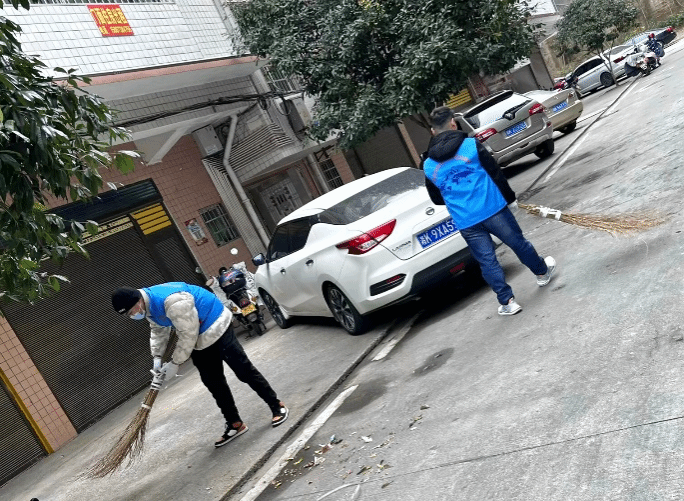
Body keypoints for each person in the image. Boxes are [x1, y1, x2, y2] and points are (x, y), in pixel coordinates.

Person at [111, 282, 289, 448]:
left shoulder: (172, 301)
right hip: (197, 337)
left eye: (132, 311)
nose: (133, 315)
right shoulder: (148, 308)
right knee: (213, 382)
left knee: (243, 370)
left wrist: (175, 363)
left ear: (138, 301)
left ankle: (276, 405)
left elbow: (188, 333)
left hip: (216, 324)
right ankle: (235, 423)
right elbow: (158, 330)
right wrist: (156, 357)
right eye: (128, 315)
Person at [421, 106, 556, 316]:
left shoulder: (428, 164)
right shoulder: (470, 145)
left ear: (432, 131)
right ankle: (541, 272)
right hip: (493, 209)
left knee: (487, 260)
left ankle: (507, 301)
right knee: (517, 243)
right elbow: (495, 173)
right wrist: (510, 199)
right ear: (453, 124)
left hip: (466, 220)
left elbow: (436, 198)